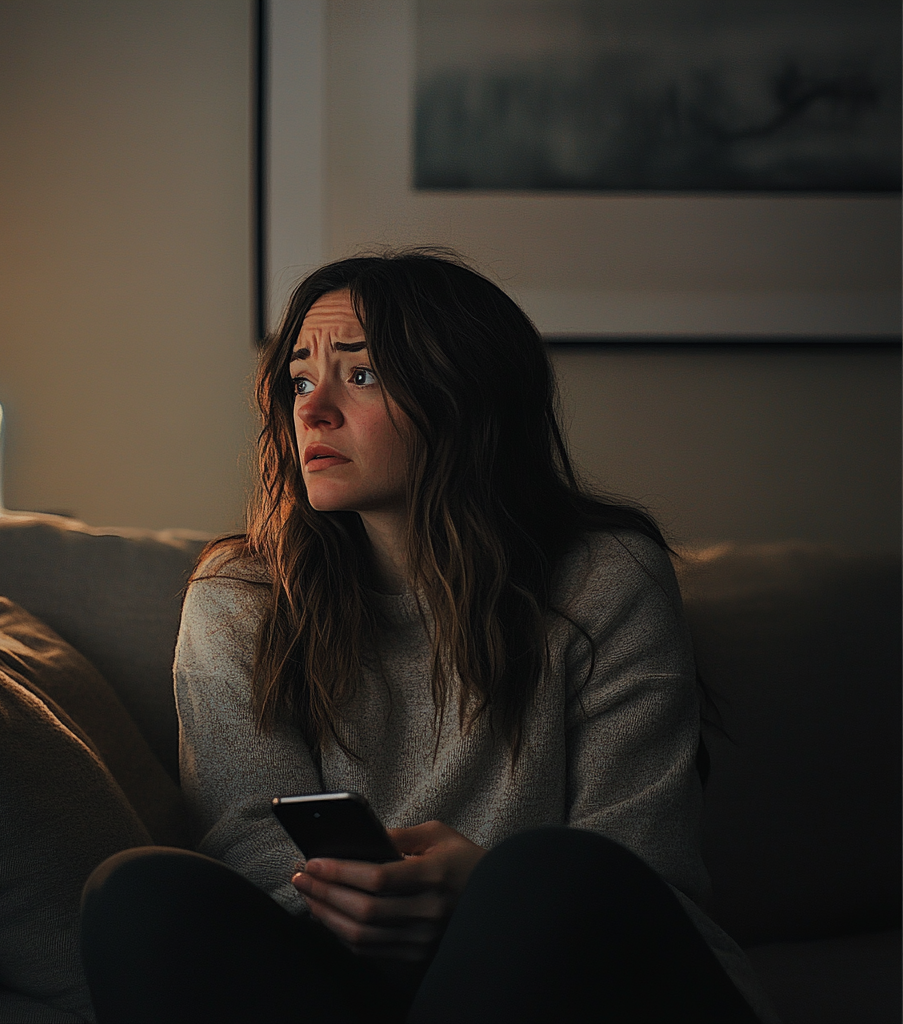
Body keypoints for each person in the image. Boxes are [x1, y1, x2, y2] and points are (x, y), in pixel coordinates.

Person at [80, 250, 777, 1023]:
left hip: (580, 966)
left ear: (464, 396)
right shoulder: (240, 597)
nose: (310, 410)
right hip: (347, 970)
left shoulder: (606, 577)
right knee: (136, 891)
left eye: (363, 374)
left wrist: (479, 894)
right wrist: (380, 920)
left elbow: (639, 871)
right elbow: (250, 845)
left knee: (548, 875)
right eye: (301, 380)